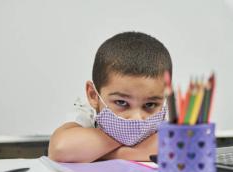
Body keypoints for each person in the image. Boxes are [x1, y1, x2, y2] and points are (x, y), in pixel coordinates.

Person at [48, 31, 172, 162]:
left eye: (150, 105)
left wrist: (103, 154)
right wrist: (136, 149)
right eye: (122, 102)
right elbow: (60, 149)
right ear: (93, 96)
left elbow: (178, 146)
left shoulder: (165, 112)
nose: (137, 119)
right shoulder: (87, 111)